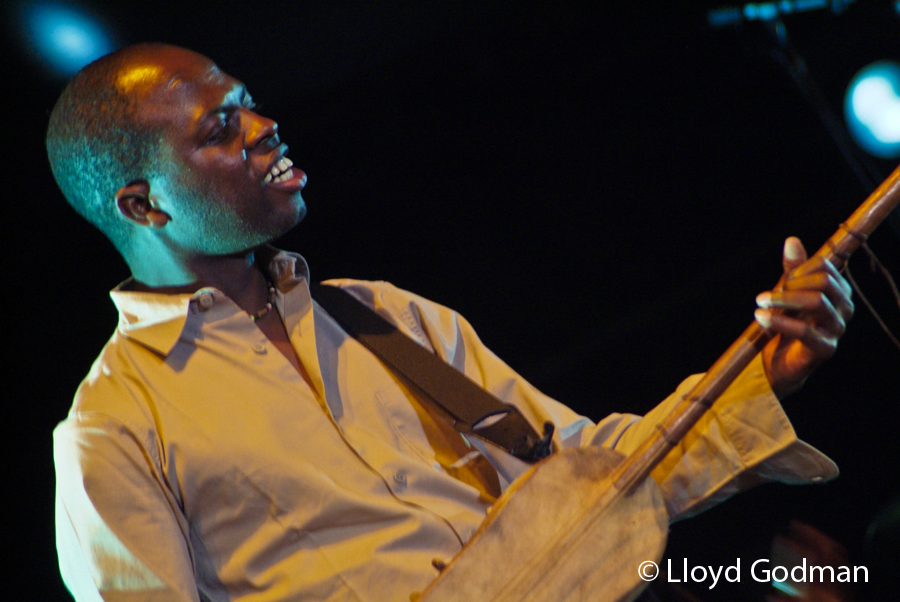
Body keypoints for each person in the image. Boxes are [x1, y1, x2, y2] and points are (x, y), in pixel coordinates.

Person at [47, 43, 854, 602]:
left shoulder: (380, 314)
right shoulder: (114, 429)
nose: (264, 127)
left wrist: (768, 373)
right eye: (220, 128)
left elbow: (594, 480)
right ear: (143, 204)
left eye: (249, 105)